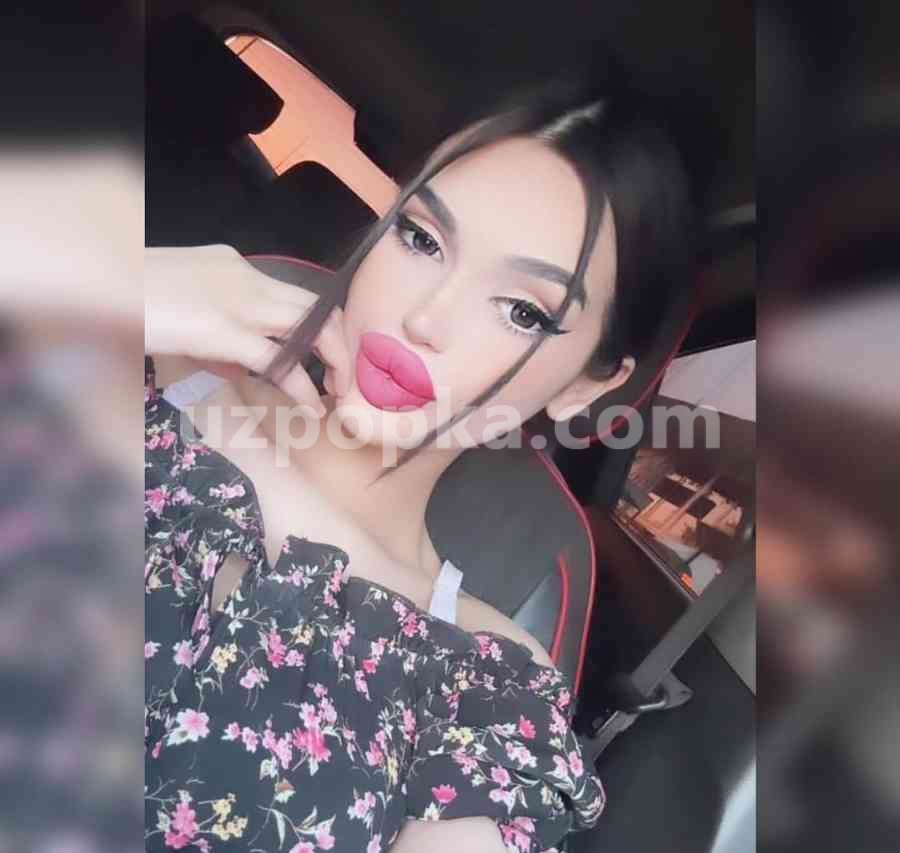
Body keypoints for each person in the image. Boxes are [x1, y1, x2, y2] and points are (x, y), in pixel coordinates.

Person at [144, 79, 693, 852]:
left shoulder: (488, 683)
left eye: (524, 311)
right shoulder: (143, 357)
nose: (424, 317)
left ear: (585, 385)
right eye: (421, 239)